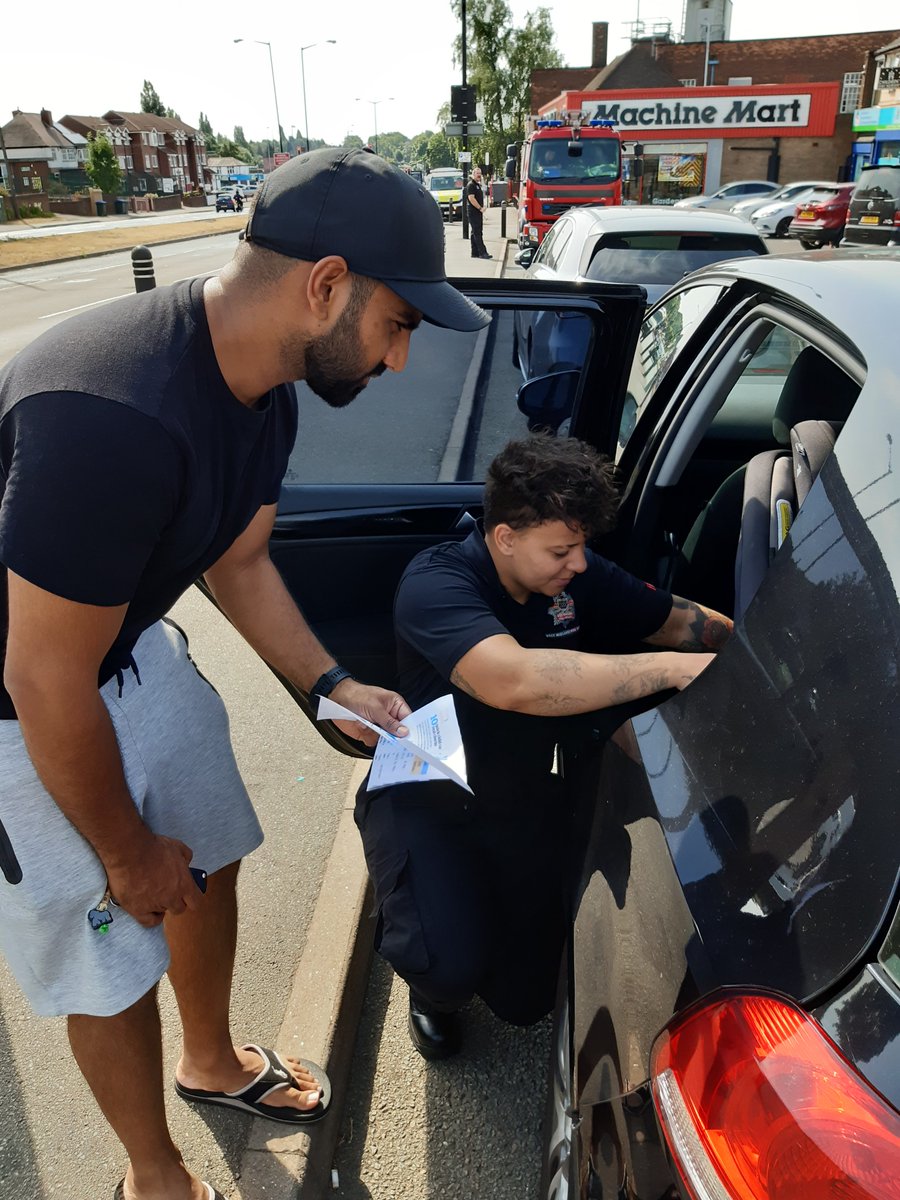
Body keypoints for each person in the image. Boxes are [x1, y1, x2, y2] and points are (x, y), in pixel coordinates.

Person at [0, 147, 489, 1200]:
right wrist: (125, 852)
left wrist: (329, 683)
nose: (402, 357)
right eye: (400, 322)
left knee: (208, 858)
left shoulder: (267, 389)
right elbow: (42, 678)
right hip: (22, 701)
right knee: (107, 947)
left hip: (125, 651)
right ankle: (153, 1176)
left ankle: (211, 1059)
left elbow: (241, 559)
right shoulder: (109, 413)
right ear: (326, 285)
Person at [354, 434, 732, 1060]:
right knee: (448, 963)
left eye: (581, 547)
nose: (578, 564)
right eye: (561, 550)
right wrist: (670, 669)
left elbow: (677, 621)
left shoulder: (573, 574)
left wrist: (761, 651)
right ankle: (430, 990)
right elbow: (515, 681)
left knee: (528, 1001)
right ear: (505, 537)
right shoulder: (437, 582)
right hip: (429, 799)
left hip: (519, 795)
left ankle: (470, 942)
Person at [466, 165, 491, 260]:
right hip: (473, 212)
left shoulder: (477, 185)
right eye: (477, 173)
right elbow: (471, 198)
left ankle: (474, 252)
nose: (479, 175)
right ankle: (482, 252)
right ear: (473, 174)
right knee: (478, 232)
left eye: (480, 173)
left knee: (474, 232)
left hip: (477, 212)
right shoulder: (471, 185)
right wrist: (480, 208)